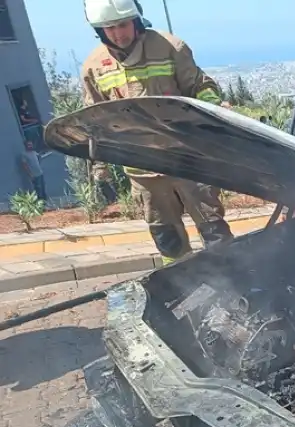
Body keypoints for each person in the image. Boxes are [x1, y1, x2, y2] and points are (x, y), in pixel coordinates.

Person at [81, 0, 234, 265]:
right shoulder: (94, 68)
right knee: (166, 238)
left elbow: (200, 87)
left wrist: (214, 113)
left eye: (122, 24)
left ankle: (236, 279)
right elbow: (95, 122)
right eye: (109, 28)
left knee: (214, 231)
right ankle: (183, 286)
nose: (118, 33)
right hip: (143, 170)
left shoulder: (169, 47)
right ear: (99, 30)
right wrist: (100, 170)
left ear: (136, 20)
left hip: (189, 160)